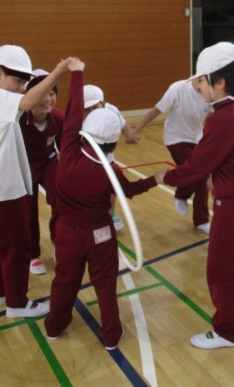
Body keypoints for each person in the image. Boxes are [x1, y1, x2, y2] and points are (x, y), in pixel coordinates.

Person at [155, 42, 234, 349]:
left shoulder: (224, 117)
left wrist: (167, 177)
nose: (197, 87)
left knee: (223, 266)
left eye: (202, 81)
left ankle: (227, 331)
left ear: (220, 82)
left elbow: (198, 166)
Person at [44, 58, 158, 349]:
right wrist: (155, 180)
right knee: (105, 285)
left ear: (83, 132)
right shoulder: (112, 171)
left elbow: (72, 110)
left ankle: (54, 326)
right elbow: (129, 191)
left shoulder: (69, 149)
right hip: (100, 233)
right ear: (113, 143)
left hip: (68, 232)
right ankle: (110, 336)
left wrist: (78, 73)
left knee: (65, 280)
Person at [0, 44, 71, 318]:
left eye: (25, 83)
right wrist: (58, 72)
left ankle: (2, 293)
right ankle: (17, 304)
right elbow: (28, 103)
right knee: (16, 248)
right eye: (18, 81)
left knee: (0, 247)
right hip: (4, 190)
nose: (21, 89)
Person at [130, 79, 212, 233]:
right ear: (198, 78)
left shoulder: (213, 89)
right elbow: (156, 110)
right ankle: (182, 196)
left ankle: (201, 220)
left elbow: (213, 114)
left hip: (196, 137)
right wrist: (136, 131)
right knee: (196, 172)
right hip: (176, 138)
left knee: (203, 175)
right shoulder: (178, 89)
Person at [19, 69, 63, 275]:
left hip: (48, 162)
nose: (47, 99)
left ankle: (59, 242)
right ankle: (32, 255)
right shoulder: (19, 120)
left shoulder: (58, 117)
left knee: (62, 199)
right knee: (27, 210)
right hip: (24, 166)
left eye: (52, 93)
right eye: (42, 93)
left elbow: (65, 147)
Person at [82, 84, 140, 231]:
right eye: (87, 109)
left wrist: (130, 135)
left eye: (95, 107)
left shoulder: (111, 110)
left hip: (106, 155)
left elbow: (123, 124)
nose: (91, 112)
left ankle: (111, 213)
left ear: (103, 103)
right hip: (85, 157)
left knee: (111, 185)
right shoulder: (76, 117)